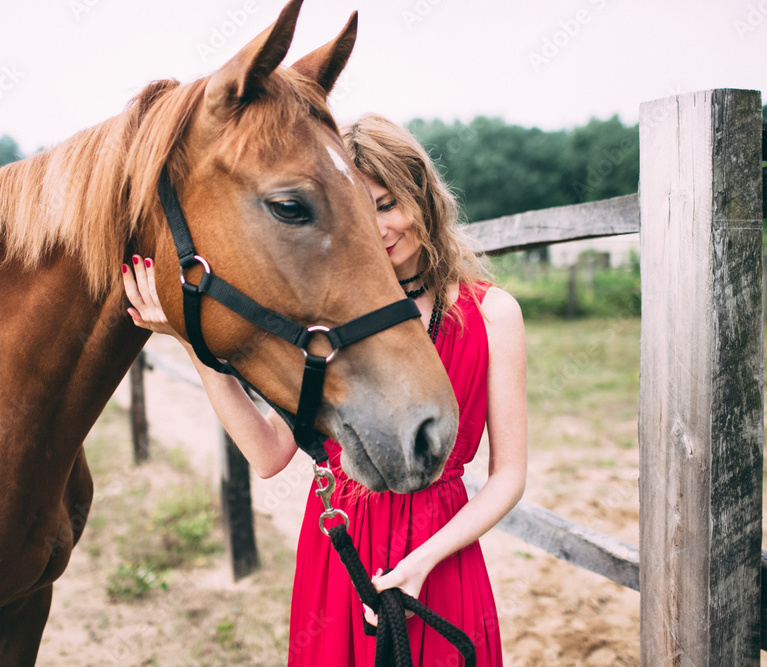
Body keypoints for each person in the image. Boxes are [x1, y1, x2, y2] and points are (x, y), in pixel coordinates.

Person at [122, 113, 527, 666]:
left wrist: (421, 564)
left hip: (441, 557)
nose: (378, 228)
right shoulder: (331, 327)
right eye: (361, 210)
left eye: (387, 205)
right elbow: (268, 455)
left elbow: (509, 478)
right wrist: (192, 339)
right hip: (341, 559)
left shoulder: (492, 314)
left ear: (424, 200)